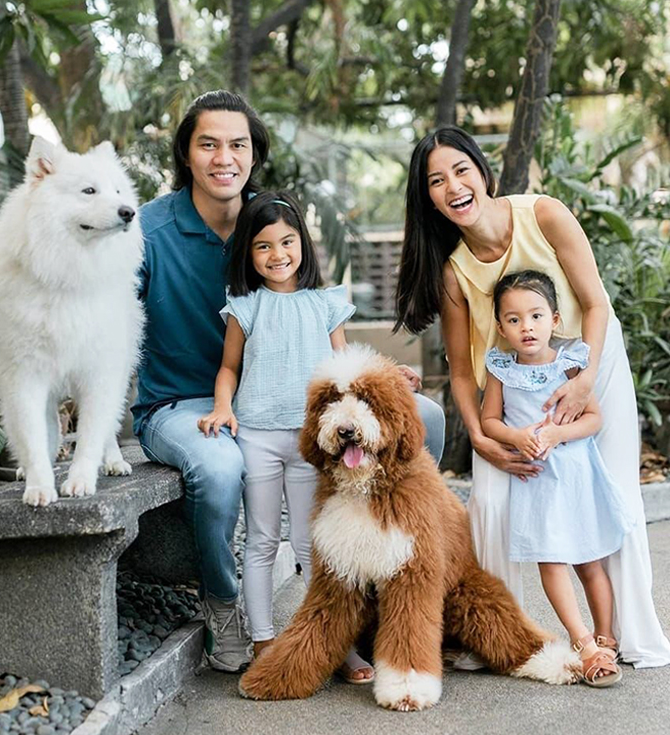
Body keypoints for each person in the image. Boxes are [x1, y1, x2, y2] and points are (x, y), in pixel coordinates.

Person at [133, 90, 446, 674]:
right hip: (187, 403)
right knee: (220, 468)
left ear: (253, 155)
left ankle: (391, 577)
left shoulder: (270, 218)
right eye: (208, 144)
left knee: (424, 417)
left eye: (238, 144)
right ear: (186, 154)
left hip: (289, 405)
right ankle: (225, 607)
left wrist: (384, 376)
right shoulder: (149, 229)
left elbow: (325, 338)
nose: (224, 157)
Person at [395, 125, 670, 669]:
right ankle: (498, 639)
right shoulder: (454, 273)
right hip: (514, 397)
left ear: (482, 170)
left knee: (613, 496)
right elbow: (458, 374)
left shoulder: (544, 214)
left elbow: (596, 305)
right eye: (436, 181)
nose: (452, 186)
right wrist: (480, 436)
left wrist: (586, 377)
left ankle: (623, 638)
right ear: (427, 196)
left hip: (589, 363)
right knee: (492, 501)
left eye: (460, 170)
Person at [197, 190, 373, 683]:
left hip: (310, 444)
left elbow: (345, 371)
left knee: (309, 544)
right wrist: (222, 407)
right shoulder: (245, 306)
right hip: (256, 436)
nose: (278, 255)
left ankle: (335, 644)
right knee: (260, 541)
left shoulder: (325, 303)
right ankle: (264, 639)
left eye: (287, 241)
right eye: (263, 246)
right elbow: (228, 368)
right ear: (248, 255)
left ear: (303, 244)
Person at [482, 270, 634, 687]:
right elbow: (489, 421)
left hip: (576, 476)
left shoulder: (570, 365)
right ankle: (583, 642)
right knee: (551, 561)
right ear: (500, 327)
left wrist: (556, 433)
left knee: (590, 560)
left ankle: (607, 636)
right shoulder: (500, 368)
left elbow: (593, 419)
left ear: (554, 319)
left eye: (534, 316)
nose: (525, 327)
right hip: (537, 482)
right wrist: (516, 436)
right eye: (513, 320)